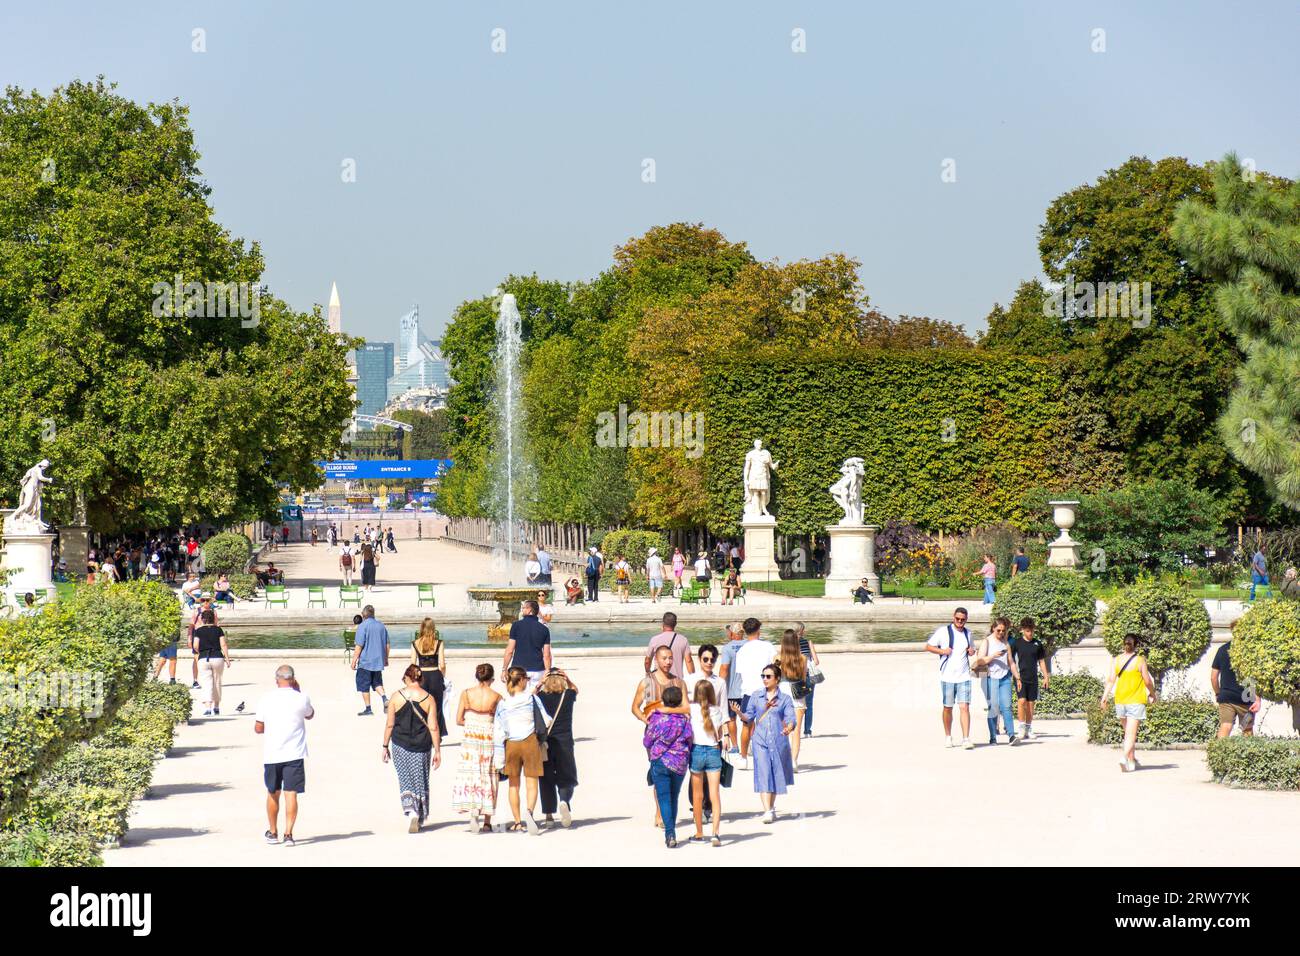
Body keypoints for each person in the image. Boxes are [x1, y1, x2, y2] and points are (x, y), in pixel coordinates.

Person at [255, 665, 314, 846]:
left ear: (276, 679)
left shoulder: (266, 699)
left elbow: (258, 728)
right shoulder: (302, 698)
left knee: (273, 793)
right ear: (293, 679)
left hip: (273, 753)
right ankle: (289, 834)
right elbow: (310, 715)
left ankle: (273, 832)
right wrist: (298, 691)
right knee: (291, 794)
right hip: (294, 753)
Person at [734, 664, 796, 823]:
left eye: (768, 676)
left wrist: (789, 728)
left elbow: (791, 718)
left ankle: (771, 807)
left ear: (777, 679)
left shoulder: (785, 699)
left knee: (774, 774)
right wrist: (739, 713)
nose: (765, 679)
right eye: (763, 676)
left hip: (778, 741)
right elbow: (748, 717)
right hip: (760, 740)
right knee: (763, 772)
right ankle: (767, 810)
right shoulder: (756, 696)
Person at [382, 664, 440, 832]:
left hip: (400, 744)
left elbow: (389, 724)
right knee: (421, 779)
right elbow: (434, 727)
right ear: (420, 678)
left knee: (405, 778)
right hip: (422, 744)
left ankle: (411, 811)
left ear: (407, 678)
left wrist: (385, 746)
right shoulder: (429, 698)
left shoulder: (395, 697)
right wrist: (438, 750)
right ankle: (419, 813)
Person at [494, 667, 548, 834]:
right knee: (532, 783)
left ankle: (518, 822)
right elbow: (546, 720)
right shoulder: (531, 699)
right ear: (522, 680)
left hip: (511, 744)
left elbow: (498, 729)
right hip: (530, 741)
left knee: (513, 785)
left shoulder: (503, 703)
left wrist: (499, 757)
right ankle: (530, 812)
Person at [452, 664, 502, 833]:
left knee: (472, 773)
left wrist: (472, 722)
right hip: (488, 734)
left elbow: (459, 719)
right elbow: (499, 720)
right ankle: (487, 820)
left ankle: (473, 812)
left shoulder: (466, 694)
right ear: (491, 678)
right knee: (488, 773)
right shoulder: (496, 696)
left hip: (471, 734)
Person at [643, 685, 693, 848]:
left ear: (663, 700)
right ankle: (670, 831)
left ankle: (670, 833)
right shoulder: (684, 720)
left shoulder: (656, 719)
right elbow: (689, 739)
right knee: (674, 796)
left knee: (664, 797)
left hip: (660, 761)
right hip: (679, 763)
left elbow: (647, 740)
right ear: (679, 702)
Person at [1100, 634, 1156, 773]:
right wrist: (1153, 693)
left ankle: (1132, 761)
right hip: (1136, 700)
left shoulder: (1116, 660)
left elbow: (1111, 680)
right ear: (1136, 645)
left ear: (1123, 644)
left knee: (1127, 733)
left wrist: (1104, 696)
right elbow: (1147, 681)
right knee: (1131, 734)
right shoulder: (1140, 660)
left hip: (1120, 700)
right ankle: (1124, 757)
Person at [925, 607, 976, 749]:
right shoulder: (943, 631)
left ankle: (966, 738)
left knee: (964, 707)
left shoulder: (968, 633)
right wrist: (942, 651)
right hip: (947, 676)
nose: (960, 621)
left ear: (966, 620)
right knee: (947, 707)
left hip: (964, 676)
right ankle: (948, 736)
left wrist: (972, 651)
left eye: (963, 620)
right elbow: (928, 646)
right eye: (957, 619)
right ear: (953, 617)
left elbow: (972, 649)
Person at [536, 668, 579, 828]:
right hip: (565, 741)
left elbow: (530, 697)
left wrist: (539, 683)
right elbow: (576, 689)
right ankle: (564, 800)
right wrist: (568, 678)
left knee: (546, 778)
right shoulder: (568, 696)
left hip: (545, 742)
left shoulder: (540, 697)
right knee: (567, 775)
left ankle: (548, 816)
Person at [730, 617, 774, 768]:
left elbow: (740, 673)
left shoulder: (742, 651)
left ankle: (743, 758)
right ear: (759, 631)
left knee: (746, 726)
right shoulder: (768, 647)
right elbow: (775, 666)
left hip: (748, 692)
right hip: (765, 691)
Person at [687, 675, 726, 846]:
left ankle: (699, 833)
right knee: (714, 795)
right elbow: (718, 734)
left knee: (697, 796)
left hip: (696, 750)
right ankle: (715, 834)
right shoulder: (717, 711)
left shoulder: (691, 709)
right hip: (712, 751)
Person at [976, 616, 1018, 745]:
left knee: (1007, 706)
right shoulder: (987, 642)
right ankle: (993, 737)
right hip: (990, 678)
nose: (1001, 633)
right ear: (993, 628)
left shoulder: (1006, 643)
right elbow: (979, 660)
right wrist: (993, 656)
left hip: (1004, 677)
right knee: (993, 707)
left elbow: (1011, 662)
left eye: (1003, 631)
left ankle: (1011, 735)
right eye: (998, 630)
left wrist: (1017, 677)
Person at [1212, 619, 1255, 739]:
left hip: (1226, 696)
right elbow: (1255, 677)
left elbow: (1214, 676)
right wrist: (1256, 696)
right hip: (1246, 697)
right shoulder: (1250, 651)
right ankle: (1249, 756)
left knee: (1225, 726)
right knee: (1247, 728)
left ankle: (1219, 754)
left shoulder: (1222, 650)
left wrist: (1218, 693)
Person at [1009, 617, 1050, 740]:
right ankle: (1021, 728)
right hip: (1020, 679)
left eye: (1032, 631)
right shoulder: (1016, 643)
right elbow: (1011, 661)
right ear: (1022, 630)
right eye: (1027, 631)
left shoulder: (1037, 644)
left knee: (1031, 704)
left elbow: (1041, 661)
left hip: (1033, 678)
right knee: (1021, 702)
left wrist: (1046, 677)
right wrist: (1017, 677)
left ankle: (1028, 728)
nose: (1030, 633)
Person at [774, 629, 809, 770]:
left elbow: (775, 678)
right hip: (797, 693)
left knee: (782, 729)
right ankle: (794, 761)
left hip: (782, 691)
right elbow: (804, 678)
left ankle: (783, 760)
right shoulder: (802, 658)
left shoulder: (777, 658)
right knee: (796, 730)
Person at [409, 618, 449, 739]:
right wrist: (442, 676)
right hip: (435, 676)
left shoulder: (415, 643)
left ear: (421, 628)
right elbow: (442, 664)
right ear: (434, 629)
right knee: (436, 706)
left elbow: (413, 664)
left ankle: (423, 734)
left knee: (421, 706)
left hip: (422, 677)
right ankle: (437, 734)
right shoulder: (439, 643)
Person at [350, 605, 389, 716]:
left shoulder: (362, 626)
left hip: (365, 661)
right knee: (377, 682)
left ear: (364, 615)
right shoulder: (381, 626)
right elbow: (387, 645)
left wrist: (353, 661)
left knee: (364, 685)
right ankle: (384, 698)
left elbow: (359, 646)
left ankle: (368, 708)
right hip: (378, 661)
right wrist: (385, 659)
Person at [191, 608, 231, 717]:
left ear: (202, 619)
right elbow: (223, 645)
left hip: (204, 658)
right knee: (217, 682)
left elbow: (195, 646)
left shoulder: (199, 631)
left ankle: (208, 708)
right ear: (213, 619)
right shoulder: (218, 630)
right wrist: (227, 658)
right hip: (217, 657)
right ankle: (216, 707)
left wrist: (201, 652)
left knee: (206, 682)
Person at [716, 622, 747, 759]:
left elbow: (724, 669)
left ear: (733, 633)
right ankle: (747, 743)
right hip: (747, 689)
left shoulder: (728, 648)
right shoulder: (750, 645)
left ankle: (735, 746)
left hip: (732, 690)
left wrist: (718, 686)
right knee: (748, 719)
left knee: (732, 719)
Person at [502, 600, 551, 686]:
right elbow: (546, 655)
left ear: (529, 610)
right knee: (536, 696)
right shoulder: (544, 629)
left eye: (524, 608)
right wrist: (547, 671)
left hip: (518, 669)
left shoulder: (516, 626)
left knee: (518, 696)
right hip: (538, 669)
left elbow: (510, 650)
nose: (522, 610)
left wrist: (504, 669)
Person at [645, 611, 694, 679]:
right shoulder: (683, 640)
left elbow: (647, 661)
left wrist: (648, 673)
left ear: (663, 624)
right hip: (677, 680)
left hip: (659, 680)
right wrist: (693, 678)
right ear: (675, 624)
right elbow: (689, 661)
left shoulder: (654, 640)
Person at [793, 622, 821, 736]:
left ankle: (795, 729)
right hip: (809, 675)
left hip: (795, 675)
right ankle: (807, 731)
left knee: (795, 703)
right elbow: (816, 661)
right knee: (809, 703)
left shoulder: (791, 644)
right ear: (802, 631)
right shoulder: (808, 642)